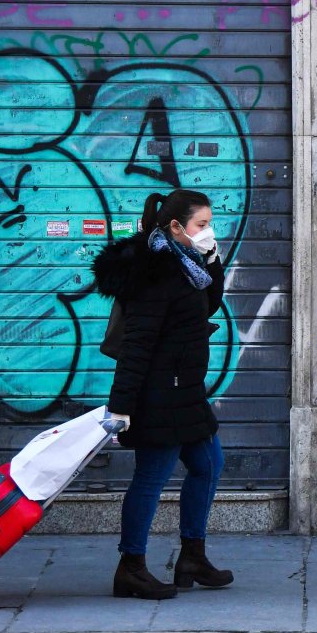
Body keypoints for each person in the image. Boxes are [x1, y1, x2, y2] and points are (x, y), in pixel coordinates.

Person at [92, 188, 235, 600]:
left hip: (185, 392)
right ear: (176, 227)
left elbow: (203, 307)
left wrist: (212, 261)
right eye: (201, 226)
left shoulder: (187, 263)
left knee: (208, 464)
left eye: (209, 225)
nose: (208, 232)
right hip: (159, 394)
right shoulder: (156, 274)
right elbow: (136, 344)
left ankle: (193, 554)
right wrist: (121, 407)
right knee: (151, 478)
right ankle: (131, 567)